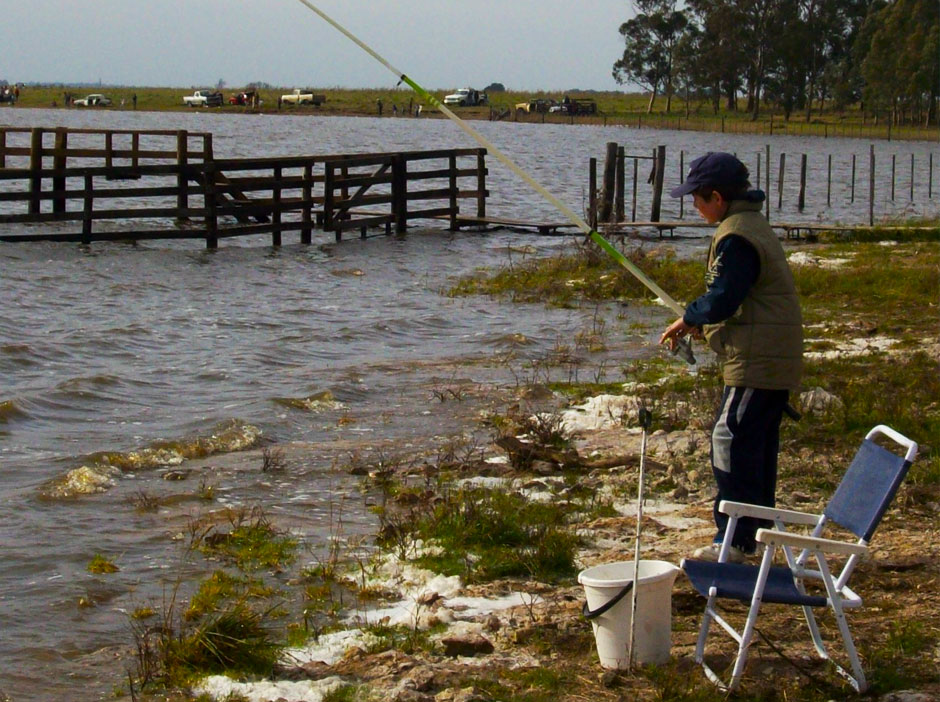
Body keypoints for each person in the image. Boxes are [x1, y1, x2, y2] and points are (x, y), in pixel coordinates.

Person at [659, 152, 803, 563]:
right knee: (754, 445)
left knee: (728, 438)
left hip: (758, 361)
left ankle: (734, 543)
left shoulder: (737, 235)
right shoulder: (750, 224)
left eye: (697, 198)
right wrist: (697, 320)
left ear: (717, 198)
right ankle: (756, 537)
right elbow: (742, 298)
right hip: (773, 356)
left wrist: (690, 317)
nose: (694, 206)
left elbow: (724, 297)